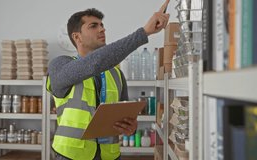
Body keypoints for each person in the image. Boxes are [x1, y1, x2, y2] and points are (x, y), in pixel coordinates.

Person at [46, 5, 169, 160]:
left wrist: (131, 127)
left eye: (102, 25)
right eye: (93, 26)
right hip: (71, 156)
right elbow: (93, 63)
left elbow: (126, 115)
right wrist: (143, 33)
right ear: (77, 37)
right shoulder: (59, 65)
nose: (102, 29)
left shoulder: (116, 73)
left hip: (110, 156)